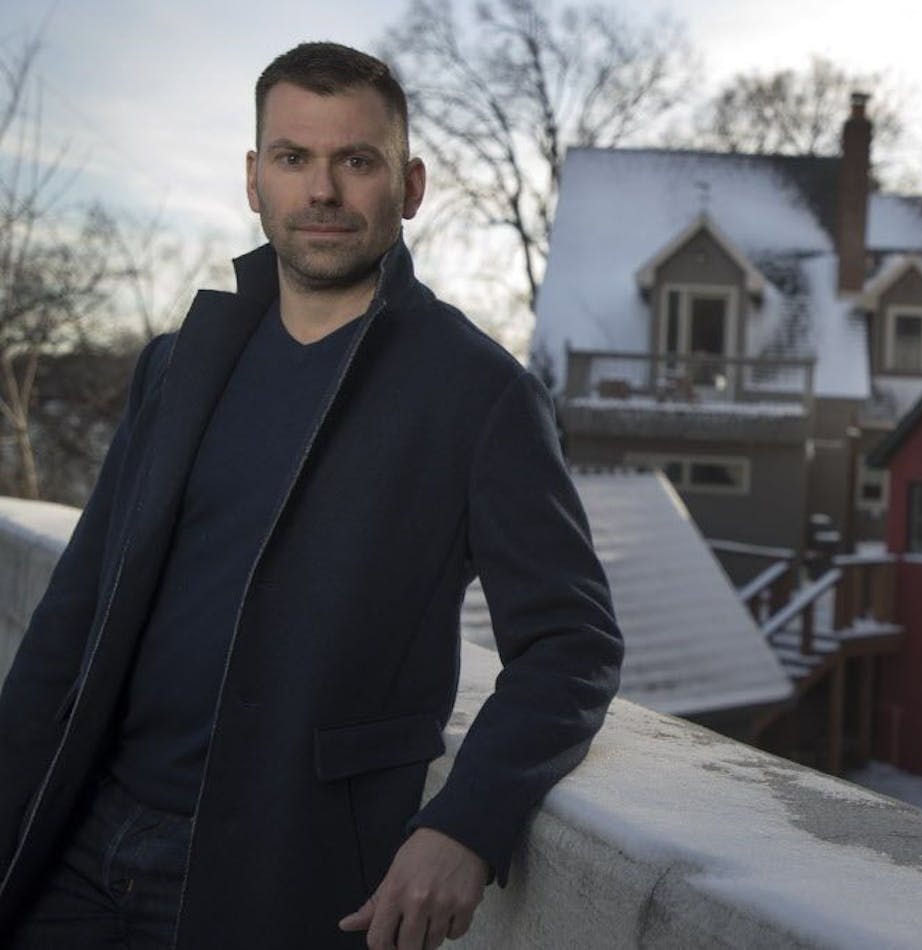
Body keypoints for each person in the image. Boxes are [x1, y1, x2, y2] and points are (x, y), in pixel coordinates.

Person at [0, 41, 623, 949]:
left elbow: (573, 643)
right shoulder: (177, 366)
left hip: (273, 870)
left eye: (355, 161)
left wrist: (466, 823)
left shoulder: (477, 392)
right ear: (256, 180)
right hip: (80, 841)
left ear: (408, 187)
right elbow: (76, 609)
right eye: (293, 159)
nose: (321, 192)